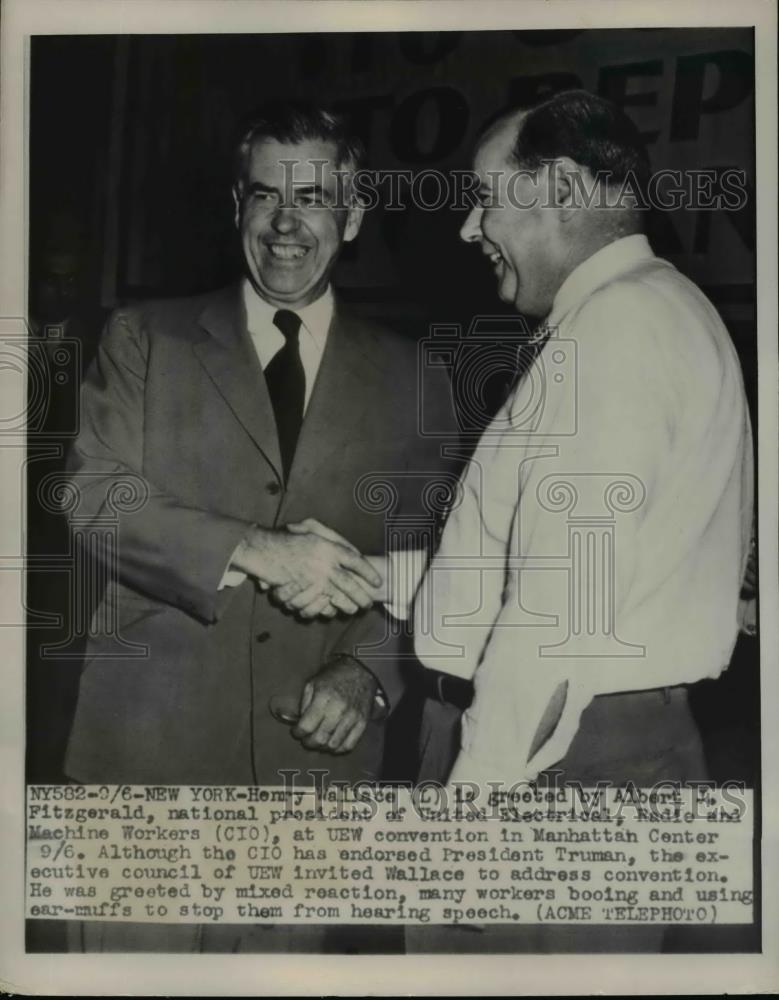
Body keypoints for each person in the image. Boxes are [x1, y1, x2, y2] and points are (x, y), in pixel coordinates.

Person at [280, 88, 753, 861]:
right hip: (593, 752)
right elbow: (559, 566)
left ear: (560, 187)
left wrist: (473, 816)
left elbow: (554, 613)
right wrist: (375, 575)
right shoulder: (662, 308)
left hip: (544, 766)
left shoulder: (610, 331)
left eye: (483, 200)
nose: (470, 230)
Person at [61, 102, 456, 951]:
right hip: (148, 779)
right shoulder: (145, 339)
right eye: (263, 195)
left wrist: (367, 675)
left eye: (311, 198)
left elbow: (433, 562)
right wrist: (258, 550)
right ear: (235, 206)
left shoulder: (417, 376)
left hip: (311, 785)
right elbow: (93, 498)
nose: (284, 222)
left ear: (350, 218)